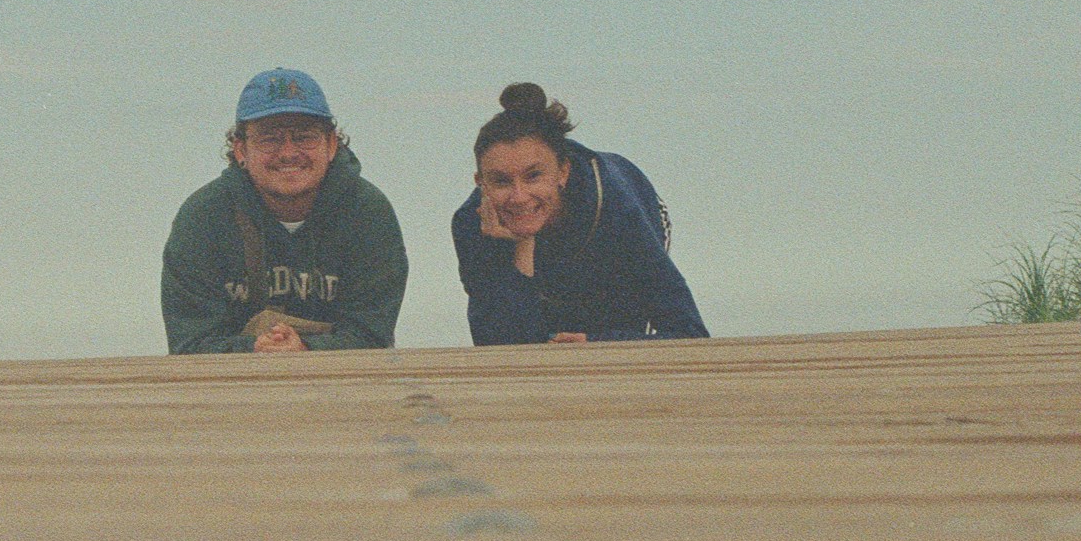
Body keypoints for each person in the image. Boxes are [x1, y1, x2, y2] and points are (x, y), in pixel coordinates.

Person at [162, 67, 409, 355]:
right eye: (270, 139)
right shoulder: (203, 218)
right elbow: (189, 343)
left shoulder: (368, 213)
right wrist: (256, 349)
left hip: (343, 384)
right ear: (240, 150)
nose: (288, 152)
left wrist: (306, 349)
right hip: (231, 389)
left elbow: (371, 335)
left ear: (331, 145)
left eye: (304, 137)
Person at [453, 82, 707, 344]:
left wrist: (598, 342)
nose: (518, 197)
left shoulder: (615, 207)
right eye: (501, 181)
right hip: (547, 266)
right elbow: (496, 345)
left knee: (608, 329)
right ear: (480, 182)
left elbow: (688, 332)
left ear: (563, 172)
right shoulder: (471, 223)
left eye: (534, 176)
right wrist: (523, 246)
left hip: (611, 224)